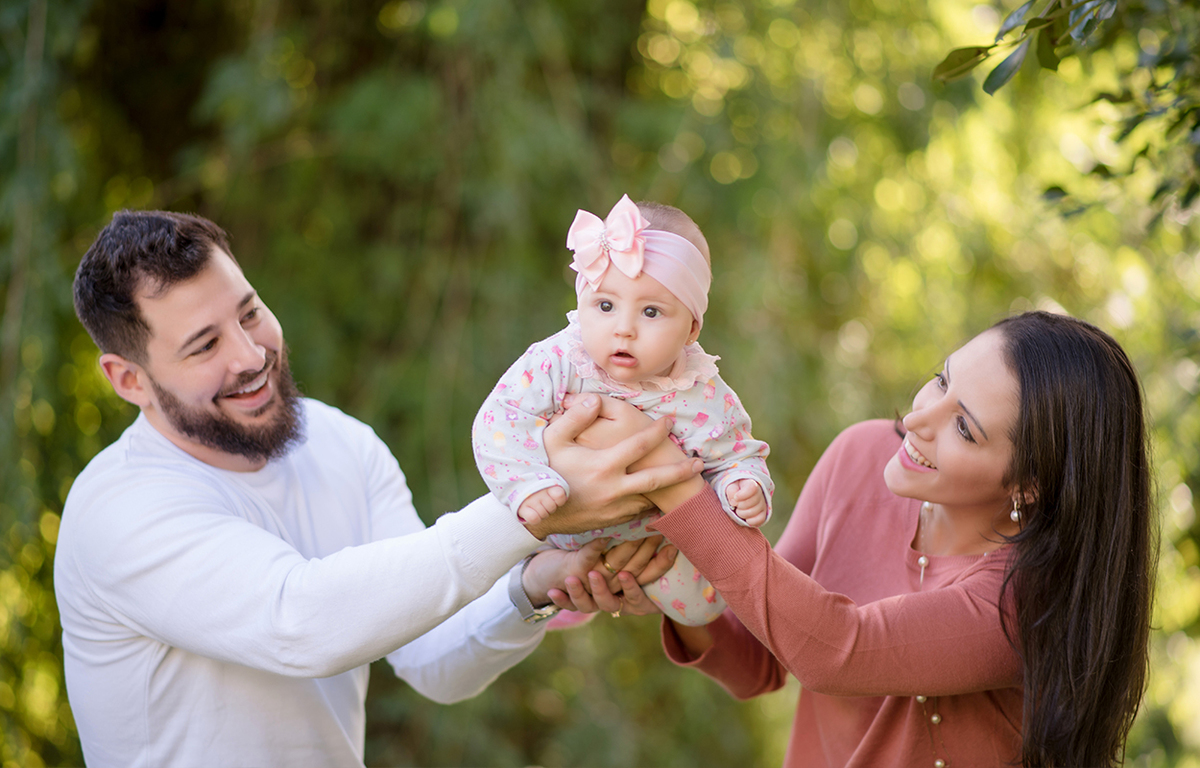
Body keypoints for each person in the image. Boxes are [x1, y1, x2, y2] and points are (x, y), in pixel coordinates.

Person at [55, 209, 699, 768]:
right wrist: (531, 509)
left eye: (250, 313)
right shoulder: (119, 509)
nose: (250, 356)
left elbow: (432, 660)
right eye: (204, 347)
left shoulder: (341, 445)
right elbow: (301, 623)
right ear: (129, 380)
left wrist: (534, 583)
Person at [555, 312, 1155, 768]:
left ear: (1030, 483)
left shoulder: (1021, 598)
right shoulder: (861, 456)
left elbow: (831, 649)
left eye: (964, 427)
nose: (919, 419)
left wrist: (671, 479)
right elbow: (760, 657)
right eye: (940, 380)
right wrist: (669, 581)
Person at [472, 194, 773, 626]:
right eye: (606, 306)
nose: (624, 329)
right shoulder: (558, 361)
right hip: (554, 517)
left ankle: (593, 589)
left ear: (691, 328)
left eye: (651, 311)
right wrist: (525, 484)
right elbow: (499, 422)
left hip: (648, 538)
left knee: (702, 606)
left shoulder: (703, 393)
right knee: (506, 557)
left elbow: (736, 453)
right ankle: (538, 585)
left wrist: (744, 485)